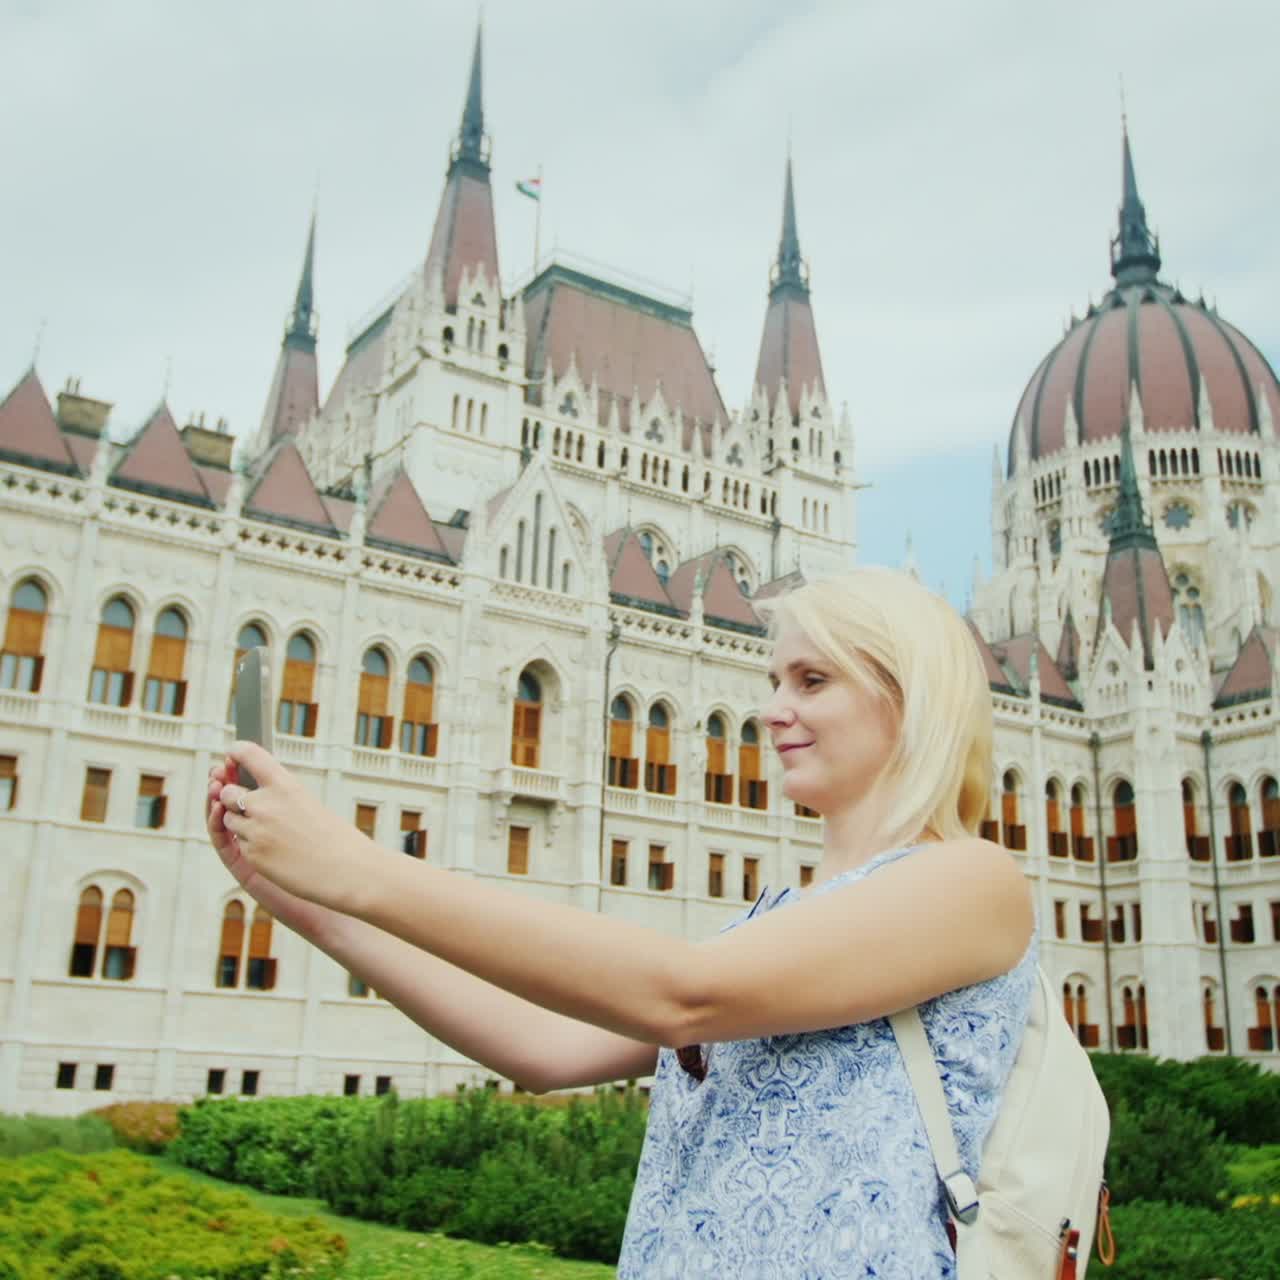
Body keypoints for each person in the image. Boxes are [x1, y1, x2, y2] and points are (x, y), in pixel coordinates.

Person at [206, 566, 1035, 1277]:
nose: (773, 711)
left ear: (910, 701)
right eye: (775, 682)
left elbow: (682, 993)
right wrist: (321, 912)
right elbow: (545, 1049)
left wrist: (355, 866)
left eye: (812, 682)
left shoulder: (971, 880)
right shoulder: (773, 922)